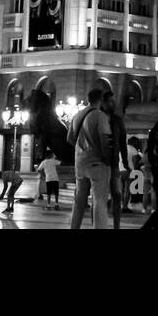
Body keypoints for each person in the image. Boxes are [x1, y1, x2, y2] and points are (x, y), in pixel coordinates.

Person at [70, 89, 114, 229]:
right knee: (99, 200)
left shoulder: (77, 115)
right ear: (101, 99)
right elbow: (104, 140)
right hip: (97, 163)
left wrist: (81, 148)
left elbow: (70, 139)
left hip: (80, 163)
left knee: (79, 200)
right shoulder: (100, 115)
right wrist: (107, 160)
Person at [102, 90, 130, 228]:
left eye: (114, 101)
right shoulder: (97, 117)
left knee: (117, 194)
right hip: (99, 164)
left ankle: (116, 226)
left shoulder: (118, 121)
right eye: (111, 101)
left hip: (113, 165)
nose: (114, 103)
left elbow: (123, 142)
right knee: (100, 198)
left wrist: (125, 163)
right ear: (104, 103)